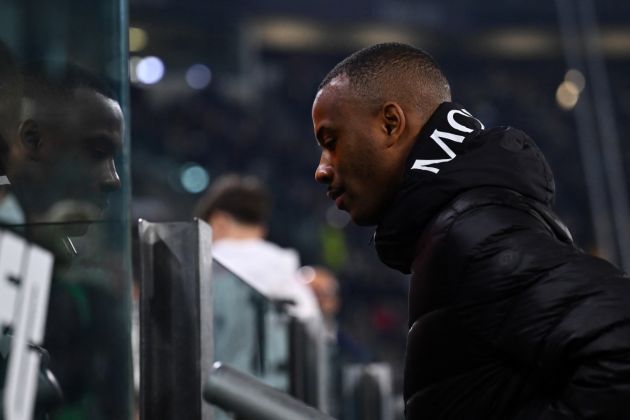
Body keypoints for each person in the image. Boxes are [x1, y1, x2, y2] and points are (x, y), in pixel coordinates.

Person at [311, 42, 630, 419]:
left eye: (331, 142)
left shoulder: (474, 234)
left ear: (391, 124)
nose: (321, 169)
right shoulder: (462, 226)